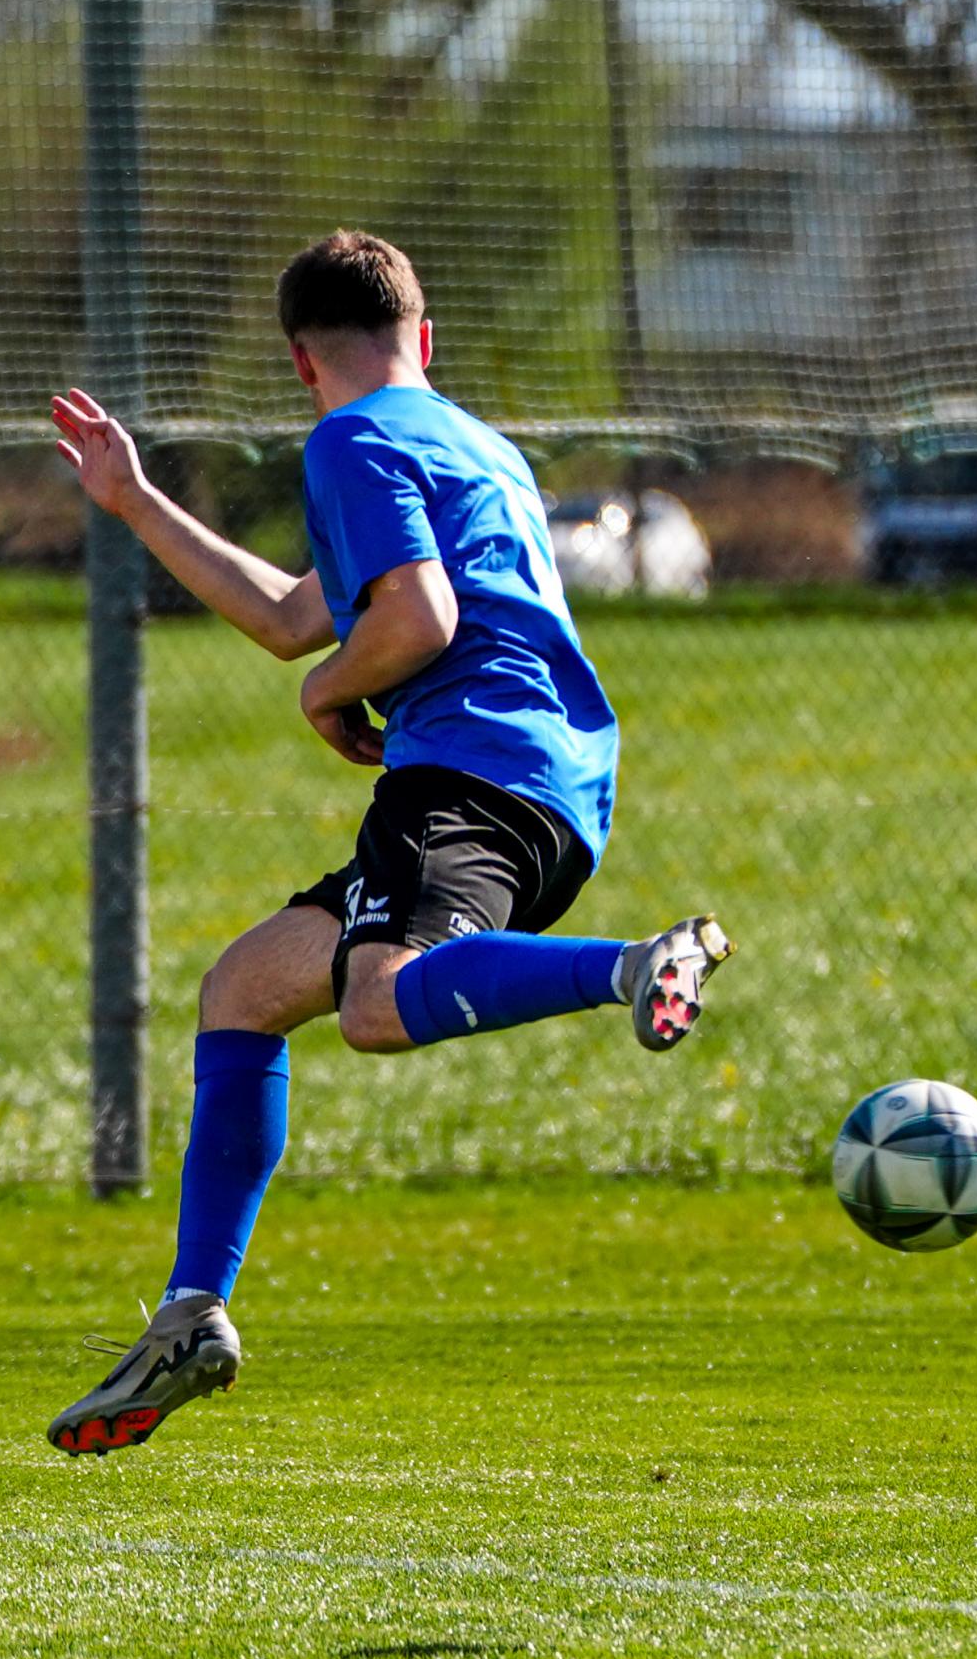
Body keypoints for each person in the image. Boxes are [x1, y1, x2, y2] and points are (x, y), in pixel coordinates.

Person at [41, 231, 734, 1457]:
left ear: (301, 364)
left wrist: (326, 694)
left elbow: (416, 618)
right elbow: (290, 615)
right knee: (244, 989)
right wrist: (135, 501)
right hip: (550, 777)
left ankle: (638, 963)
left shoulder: (350, 442)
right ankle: (190, 1313)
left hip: (469, 767)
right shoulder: (471, 445)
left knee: (375, 1002)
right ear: (425, 336)